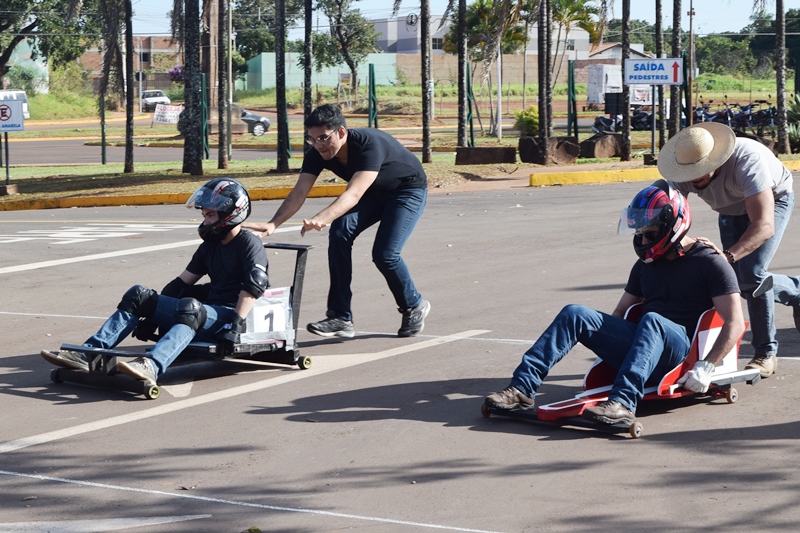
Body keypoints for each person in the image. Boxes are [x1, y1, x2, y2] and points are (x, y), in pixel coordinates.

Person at [484, 181, 744, 425]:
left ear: (672, 225)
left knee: (652, 320)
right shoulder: (646, 266)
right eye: (640, 233)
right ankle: (521, 389)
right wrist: (606, 349)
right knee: (575, 313)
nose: (642, 241)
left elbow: (733, 323)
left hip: (679, 354)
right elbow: (621, 311)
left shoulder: (710, 262)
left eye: (649, 233)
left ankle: (622, 403)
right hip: (643, 346)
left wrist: (706, 366)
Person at [40, 178, 269, 385]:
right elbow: (181, 283)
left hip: (229, 316)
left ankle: (152, 365)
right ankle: (88, 352)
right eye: (204, 215)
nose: (206, 221)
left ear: (231, 213)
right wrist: (153, 313)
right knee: (139, 295)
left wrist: (236, 324)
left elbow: (255, 283)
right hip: (207, 312)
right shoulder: (209, 247)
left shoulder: (248, 243)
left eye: (210, 215)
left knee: (191, 307)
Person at [243, 103, 430, 339]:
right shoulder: (317, 154)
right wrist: (273, 224)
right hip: (375, 193)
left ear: (341, 132)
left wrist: (321, 218)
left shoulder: (368, 144)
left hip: (406, 191)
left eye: (323, 138)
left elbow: (353, 194)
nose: (319, 145)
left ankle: (414, 306)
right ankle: (340, 317)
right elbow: (299, 192)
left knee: (385, 254)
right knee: (340, 232)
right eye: (313, 139)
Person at [658, 122, 798, 378]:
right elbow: (666, 215)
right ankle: (796, 291)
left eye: (699, 172)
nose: (691, 180)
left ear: (715, 160)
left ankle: (765, 353)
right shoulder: (683, 172)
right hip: (729, 209)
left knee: (752, 275)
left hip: (773, 201)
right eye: (686, 174)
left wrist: (728, 256)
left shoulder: (748, 160)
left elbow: (764, 226)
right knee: (733, 280)